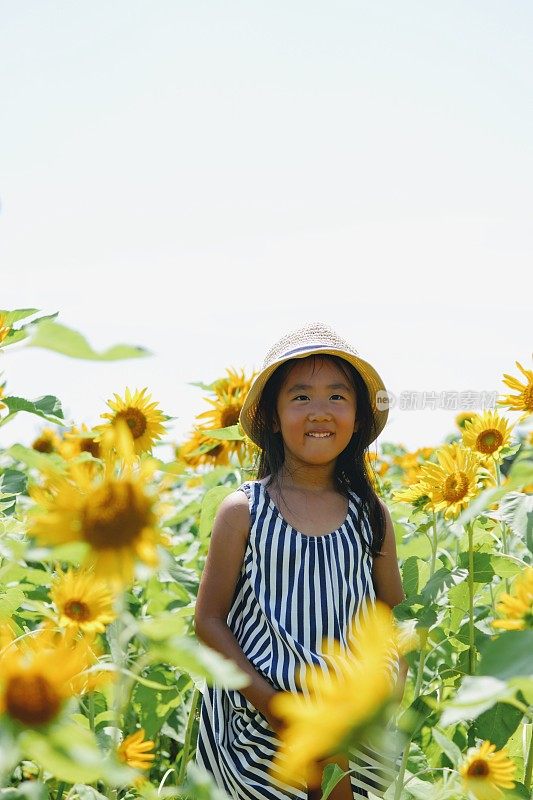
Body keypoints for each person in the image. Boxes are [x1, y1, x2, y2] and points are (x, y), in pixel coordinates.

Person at [193, 322, 407, 800]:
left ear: (357, 418)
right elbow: (208, 621)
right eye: (301, 397)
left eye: (337, 397)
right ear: (272, 415)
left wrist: (382, 699)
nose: (320, 412)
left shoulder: (370, 514)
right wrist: (272, 705)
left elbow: (386, 614)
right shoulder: (243, 511)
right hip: (262, 718)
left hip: (351, 726)